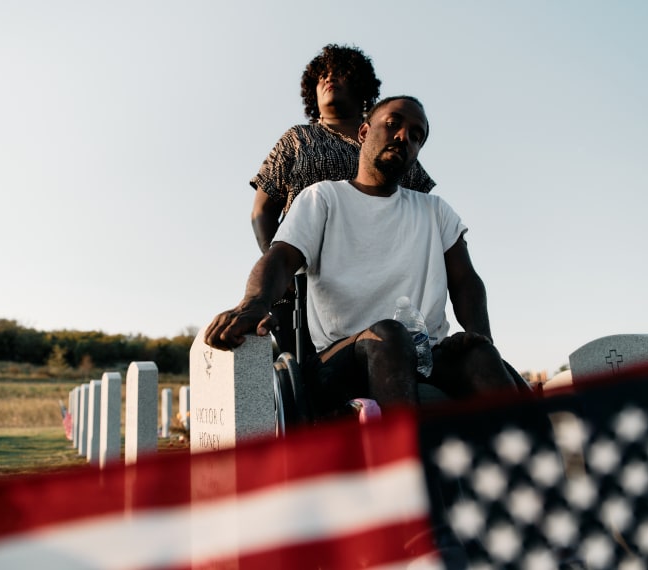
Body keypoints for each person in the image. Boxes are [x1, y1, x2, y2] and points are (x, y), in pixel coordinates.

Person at [207, 96, 521, 419]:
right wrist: (254, 303)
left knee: (481, 355)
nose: (404, 137)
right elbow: (282, 258)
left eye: (416, 136)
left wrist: (477, 333)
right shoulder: (323, 198)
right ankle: (401, 465)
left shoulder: (435, 211)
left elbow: (466, 280)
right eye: (393, 124)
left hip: (427, 354)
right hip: (343, 357)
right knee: (389, 335)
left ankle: (525, 459)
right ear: (363, 132)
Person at [250, 44, 435, 355]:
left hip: (379, 282)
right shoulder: (298, 139)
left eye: (339, 72)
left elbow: (422, 216)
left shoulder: (393, 144)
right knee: (314, 381)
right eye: (321, 76)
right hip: (302, 283)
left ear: (360, 85)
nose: (328, 79)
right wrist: (281, 274)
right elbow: (262, 210)